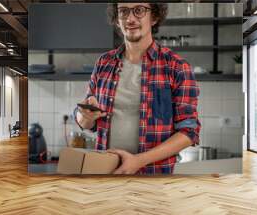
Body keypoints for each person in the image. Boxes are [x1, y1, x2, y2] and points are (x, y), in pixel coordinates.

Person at [74, 3, 200, 174]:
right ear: (117, 20)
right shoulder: (104, 63)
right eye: (123, 11)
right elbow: (88, 122)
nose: (130, 18)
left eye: (139, 10)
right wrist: (85, 116)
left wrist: (138, 161)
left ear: (154, 17)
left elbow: (189, 131)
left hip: (153, 176)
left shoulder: (177, 67)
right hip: (105, 171)